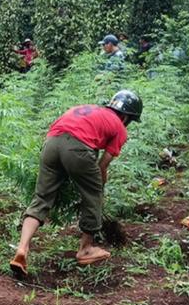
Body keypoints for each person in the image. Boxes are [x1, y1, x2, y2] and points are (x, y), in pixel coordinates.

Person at [9, 90, 143, 276]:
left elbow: (59, 131)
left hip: (51, 145)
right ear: (127, 115)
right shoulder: (120, 128)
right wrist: (99, 185)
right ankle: (86, 249)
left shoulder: (86, 109)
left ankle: (22, 248)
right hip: (77, 148)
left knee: (42, 198)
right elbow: (102, 165)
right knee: (94, 194)